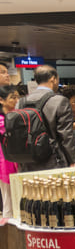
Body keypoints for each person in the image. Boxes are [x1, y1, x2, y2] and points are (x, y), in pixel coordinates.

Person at [19, 66, 75, 171]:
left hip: (27, 162)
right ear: (53, 79)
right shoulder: (60, 101)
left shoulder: (21, 101)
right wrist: (73, 160)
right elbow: (66, 135)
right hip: (53, 161)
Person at [0, 85, 22, 217]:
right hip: (5, 161)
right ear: (1, 100)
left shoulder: (15, 115)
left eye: (17, 97)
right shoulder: (2, 120)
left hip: (16, 158)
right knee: (8, 199)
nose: (16, 100)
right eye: (12, 97)